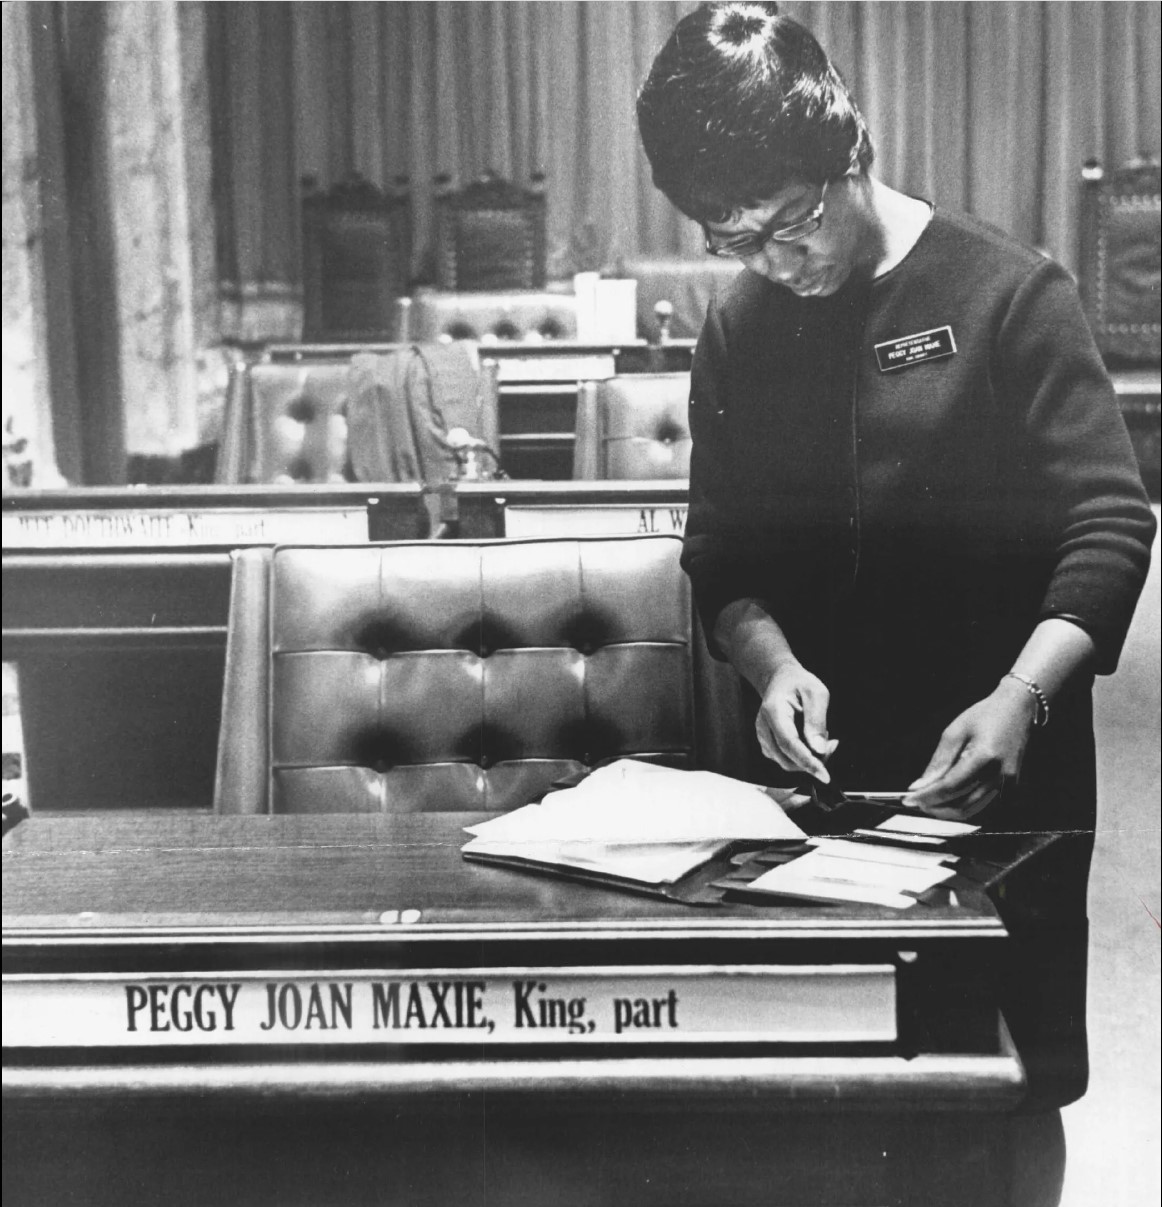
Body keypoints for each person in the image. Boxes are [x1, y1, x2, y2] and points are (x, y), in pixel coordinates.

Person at [636, 0, 1155, 1192]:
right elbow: (723, 549)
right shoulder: (742, 326)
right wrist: (769, 665)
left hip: (1003, 764)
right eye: (734, 240)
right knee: (830, 1080)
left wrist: (1023, 696)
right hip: (824, 783)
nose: (774, 263)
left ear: (849, 153)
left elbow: (1109, 522)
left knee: (1011, 1078)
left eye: (787, 226)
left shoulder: (1011, 294)